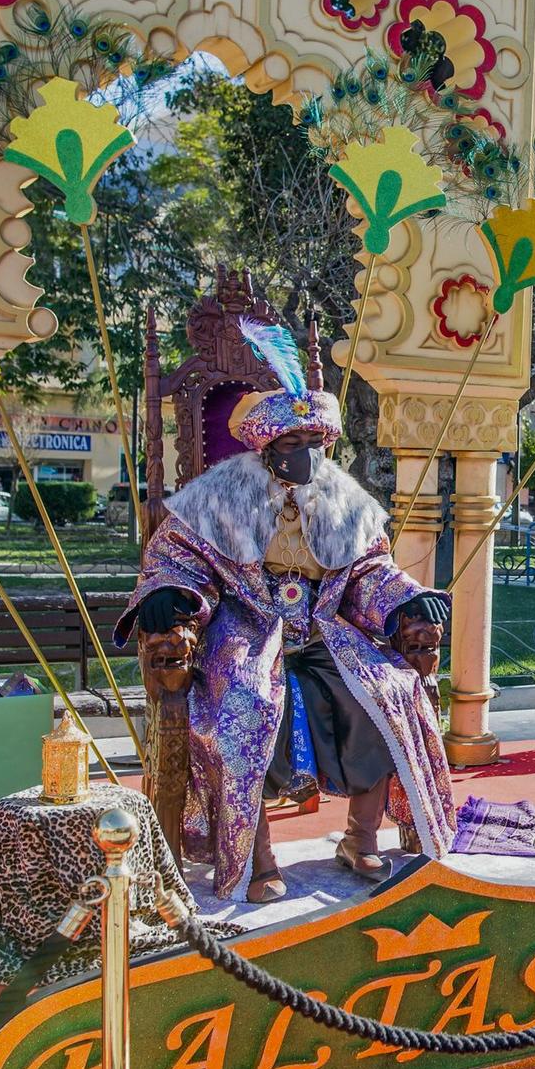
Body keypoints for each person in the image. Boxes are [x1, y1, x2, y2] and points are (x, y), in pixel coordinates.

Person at [121, 325, 457, 902]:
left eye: (316, 444)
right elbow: (177, 557)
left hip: (327, 629)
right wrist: (171, 594)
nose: (309, 457)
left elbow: (370, 569)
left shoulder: (344, 497)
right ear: (268, 451)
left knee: (389, 690)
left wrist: (404, 597)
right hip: (246, 628)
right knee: (244, 707)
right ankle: (256, 858)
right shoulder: (219, 496)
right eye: (294, 446)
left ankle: (360, 836)